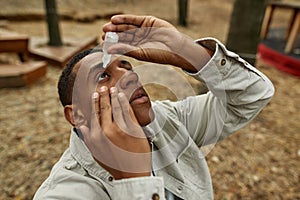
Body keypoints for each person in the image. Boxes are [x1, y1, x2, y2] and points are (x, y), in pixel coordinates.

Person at [33, 15, 274, 200]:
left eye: (127, 66)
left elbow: (253, 94)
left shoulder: (168, 119)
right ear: (77, 115)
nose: (129, 76)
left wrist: (186, 51)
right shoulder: (64, 192)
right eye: (103, 76)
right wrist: (133, 180)